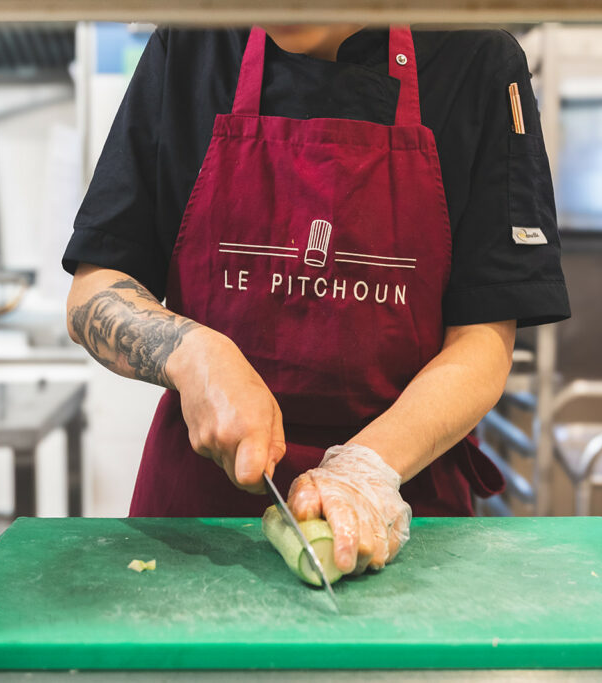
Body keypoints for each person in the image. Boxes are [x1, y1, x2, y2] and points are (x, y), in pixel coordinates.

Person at [63, 24, 569, 577]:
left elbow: (482, 342)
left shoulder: (475, 58)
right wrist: (192, 355)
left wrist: (366, 469)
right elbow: (95, 288)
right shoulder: (191, 45)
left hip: (399, 512)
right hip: (201, 526)